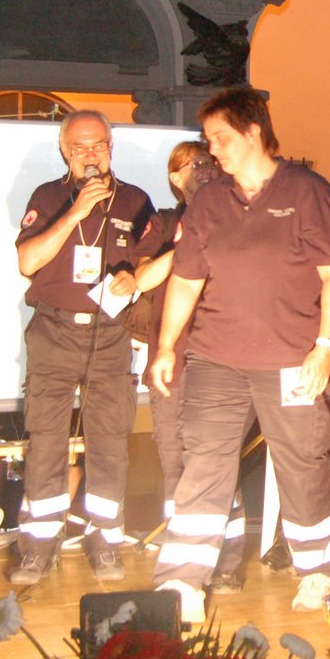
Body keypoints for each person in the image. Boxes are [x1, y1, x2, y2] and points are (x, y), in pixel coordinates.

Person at [150, 88, 330, 623]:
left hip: (293, 358)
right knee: (204, 465)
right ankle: (182, 582)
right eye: (210, 140)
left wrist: (324, 349)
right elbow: (186, 280)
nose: (214, 151)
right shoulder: (210, 202)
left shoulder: (307, 191)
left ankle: (318, 571)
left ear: (254, 132)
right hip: (217, 359)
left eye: (222, 138)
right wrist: (167, 346)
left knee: (301, 463)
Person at [9, 111, 154, 586]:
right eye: (81, 148)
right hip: (53, 333)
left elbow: (153, 261)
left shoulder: (135, 201)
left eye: (99, 146)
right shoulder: (48, 197)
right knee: (46, 440)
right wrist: (75, 213)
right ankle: (38, 545)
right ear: (64, 153)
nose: (92, 156)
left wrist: (136, 275)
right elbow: (28, 261)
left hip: (110, 335)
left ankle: (105, 539)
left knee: (110, 441)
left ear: (112, 147)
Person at [129, 141, 243, 576]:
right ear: (175, 178)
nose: (206, 168)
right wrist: (191, 244)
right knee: (174, 456)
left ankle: (228, 558)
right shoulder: (165, 222)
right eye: (193, 164)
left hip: (222, 353)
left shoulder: (236, 216)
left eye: (210, 161)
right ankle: (184, 555)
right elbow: (142, 278)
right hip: (172, 357)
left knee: (219, 453)